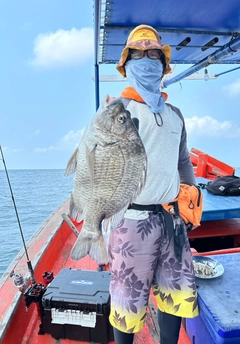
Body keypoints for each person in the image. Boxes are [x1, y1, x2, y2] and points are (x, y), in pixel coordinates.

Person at [107, 25, 199, 344]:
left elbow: (183, 160)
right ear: (126, 64)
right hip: (130, 221)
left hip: (172, 218)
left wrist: (191, 195)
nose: (147, 59)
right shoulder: (117, 111)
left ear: (163, 65)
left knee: (176, 293)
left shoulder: (175, 114)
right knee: (127, 302)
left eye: (154, 54)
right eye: (138, 54)